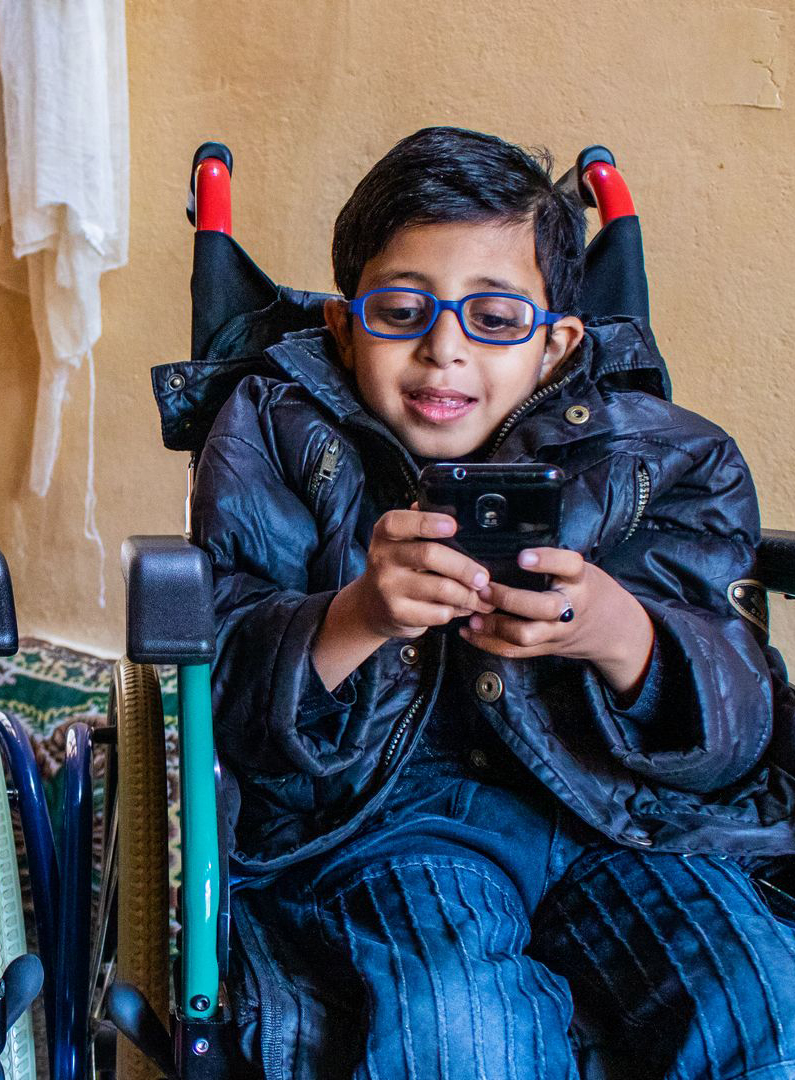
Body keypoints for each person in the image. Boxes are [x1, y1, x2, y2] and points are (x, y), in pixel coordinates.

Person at [195, 126, 795, 1078]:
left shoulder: (666, 459)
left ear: (558, 344)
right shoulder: (274, 431)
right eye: (401, 311)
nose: (444, 351)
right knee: (456, 1023)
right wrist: (354, 618)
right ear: (346, 326)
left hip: (624, 818)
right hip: (390, 824)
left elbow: (742, 715)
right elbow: (220, 679)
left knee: (759, 998)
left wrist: (619, 633)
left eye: (495, 319)